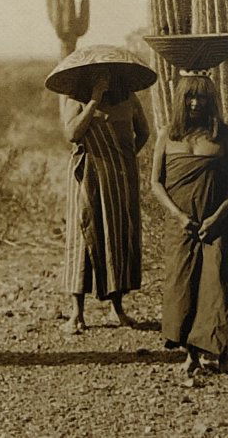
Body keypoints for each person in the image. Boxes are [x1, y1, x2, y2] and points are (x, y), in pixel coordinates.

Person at [151, 72, 228, 375]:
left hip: (218, 222)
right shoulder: (168, 135)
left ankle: (222, 351)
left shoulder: (223, 134)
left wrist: (217, 216)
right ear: (180, 100)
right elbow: (155, 182)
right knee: (183, 285)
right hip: (181, 225)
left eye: (202, 97)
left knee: (217, 284)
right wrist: (179, 216)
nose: (195, 102)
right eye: (189, 97)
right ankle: (190, 354)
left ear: (211, 100)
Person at [57, 66, 151, 334]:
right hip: (85, 175)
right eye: (98, 76)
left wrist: (124, 157)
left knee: (116, 237)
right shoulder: (75, 99)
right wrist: (94, 100)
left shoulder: (129, 98)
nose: (104, 80)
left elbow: (143, 132)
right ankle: (77, 313)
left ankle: (117, 308)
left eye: (108, 75)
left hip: (119, 177)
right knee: (82, 236)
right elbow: (72, 134)